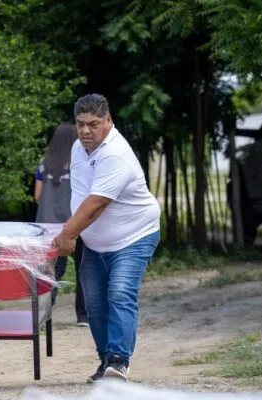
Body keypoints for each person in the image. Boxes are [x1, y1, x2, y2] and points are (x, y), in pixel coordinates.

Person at [52, 93, 161, 383]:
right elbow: (81, 194)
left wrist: (68, 233)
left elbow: (96, 202)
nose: (86, 131)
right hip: (94, 241)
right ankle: (106, 364)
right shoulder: (78, 148)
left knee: (120, 293)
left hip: (133, 236)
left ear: (109, 121)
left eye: (94, 124)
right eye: (80, 124)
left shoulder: (116, 154)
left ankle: (118, 361)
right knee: (95, 304)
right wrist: (72, 230)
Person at [34, 122, 88, 326]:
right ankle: (83, 316)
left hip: (48, 226)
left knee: (52, 271)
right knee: (84, 268)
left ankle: (43, 316)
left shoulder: (43, 163)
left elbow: (38, 195)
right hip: (75, 222)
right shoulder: (79, 162)